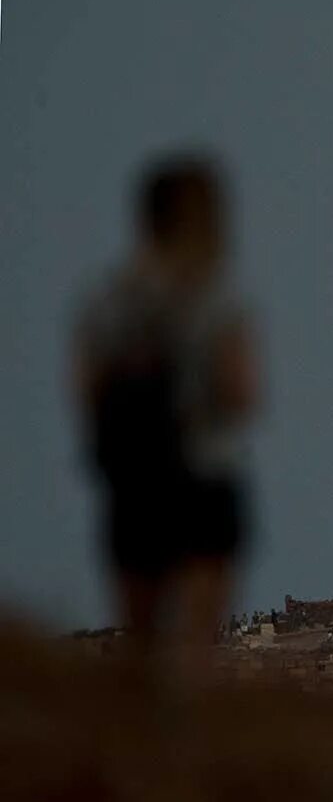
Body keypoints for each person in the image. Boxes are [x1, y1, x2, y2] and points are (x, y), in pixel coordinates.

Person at [73, 153, 257, 681]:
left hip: (133, 478)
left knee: (140, 639)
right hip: (205, 473)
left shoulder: (108, 300)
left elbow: (86, 389)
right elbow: (242, 391)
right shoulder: (218, 298)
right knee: (198, 645)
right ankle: (187, 750)